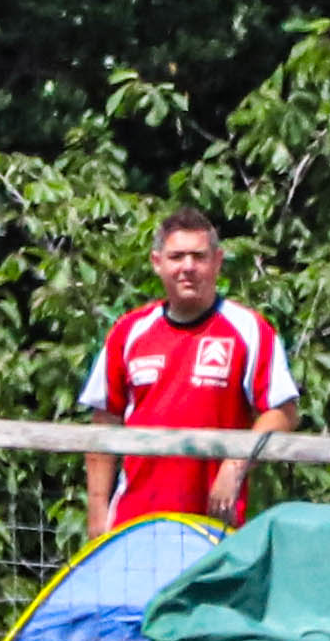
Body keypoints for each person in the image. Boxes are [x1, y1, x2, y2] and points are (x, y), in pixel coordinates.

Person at [77, 210, 297, 532]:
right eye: (177, 257)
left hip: (214, 525)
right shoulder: (129, 331)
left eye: (199, 256)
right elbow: (104, 422)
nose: (188, 267)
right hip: (134, 524)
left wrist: (235, 464)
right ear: (157, 262)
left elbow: (282, 413)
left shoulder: (250, 330)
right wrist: (97, 513)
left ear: (217, 261)